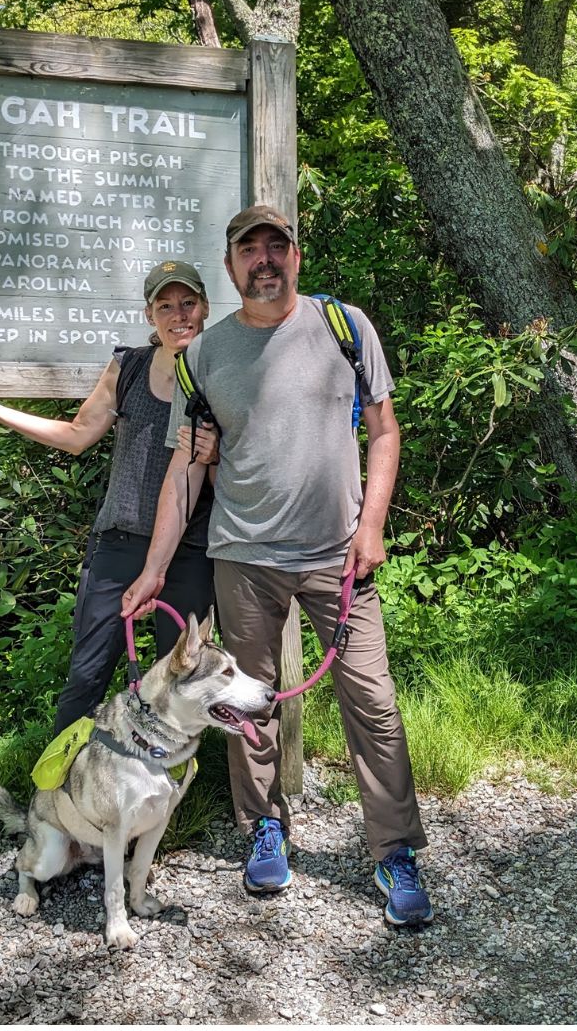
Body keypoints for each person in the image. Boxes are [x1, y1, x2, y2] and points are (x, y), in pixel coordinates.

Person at [121, 205, 432, 926]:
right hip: (244, 557)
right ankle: (263, 825)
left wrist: (374, 524)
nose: (264, 259)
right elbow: (186, 470)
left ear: (296, 255)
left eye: (276, 245)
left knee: (374, 703)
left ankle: (394, 851)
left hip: (339, 558)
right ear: (230, 267)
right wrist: (154, 569)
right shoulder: (205, 356)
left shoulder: (343, 327)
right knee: (245, 704)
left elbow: (384, 431)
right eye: (248, 249)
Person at [0, 261, 218, 735]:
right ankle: (57, 790)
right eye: (165, 305)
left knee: (180, 681)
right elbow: (77, 435)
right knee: (87, 675)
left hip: (189, 548)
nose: (178, 314)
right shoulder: (129, 367)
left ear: (204, 307)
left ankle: (164, 797)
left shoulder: (218, 369)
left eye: (187, 303)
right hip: (118, 543)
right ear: (149, 315)